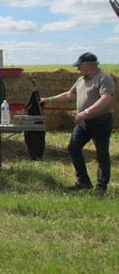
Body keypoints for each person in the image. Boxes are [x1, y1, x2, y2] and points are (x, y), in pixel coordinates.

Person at [40, 52, 115, 192]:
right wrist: (48, 100)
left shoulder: (104, 78)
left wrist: (86, 112)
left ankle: (101, 187)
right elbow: (69, 95)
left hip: (101, 121)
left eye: (80, 66)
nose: (78, 69)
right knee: (73, 148)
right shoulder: (81, 80)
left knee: (102, 154)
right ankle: (83, 181)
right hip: (84, 123)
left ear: (89, 65)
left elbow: (106, 99)